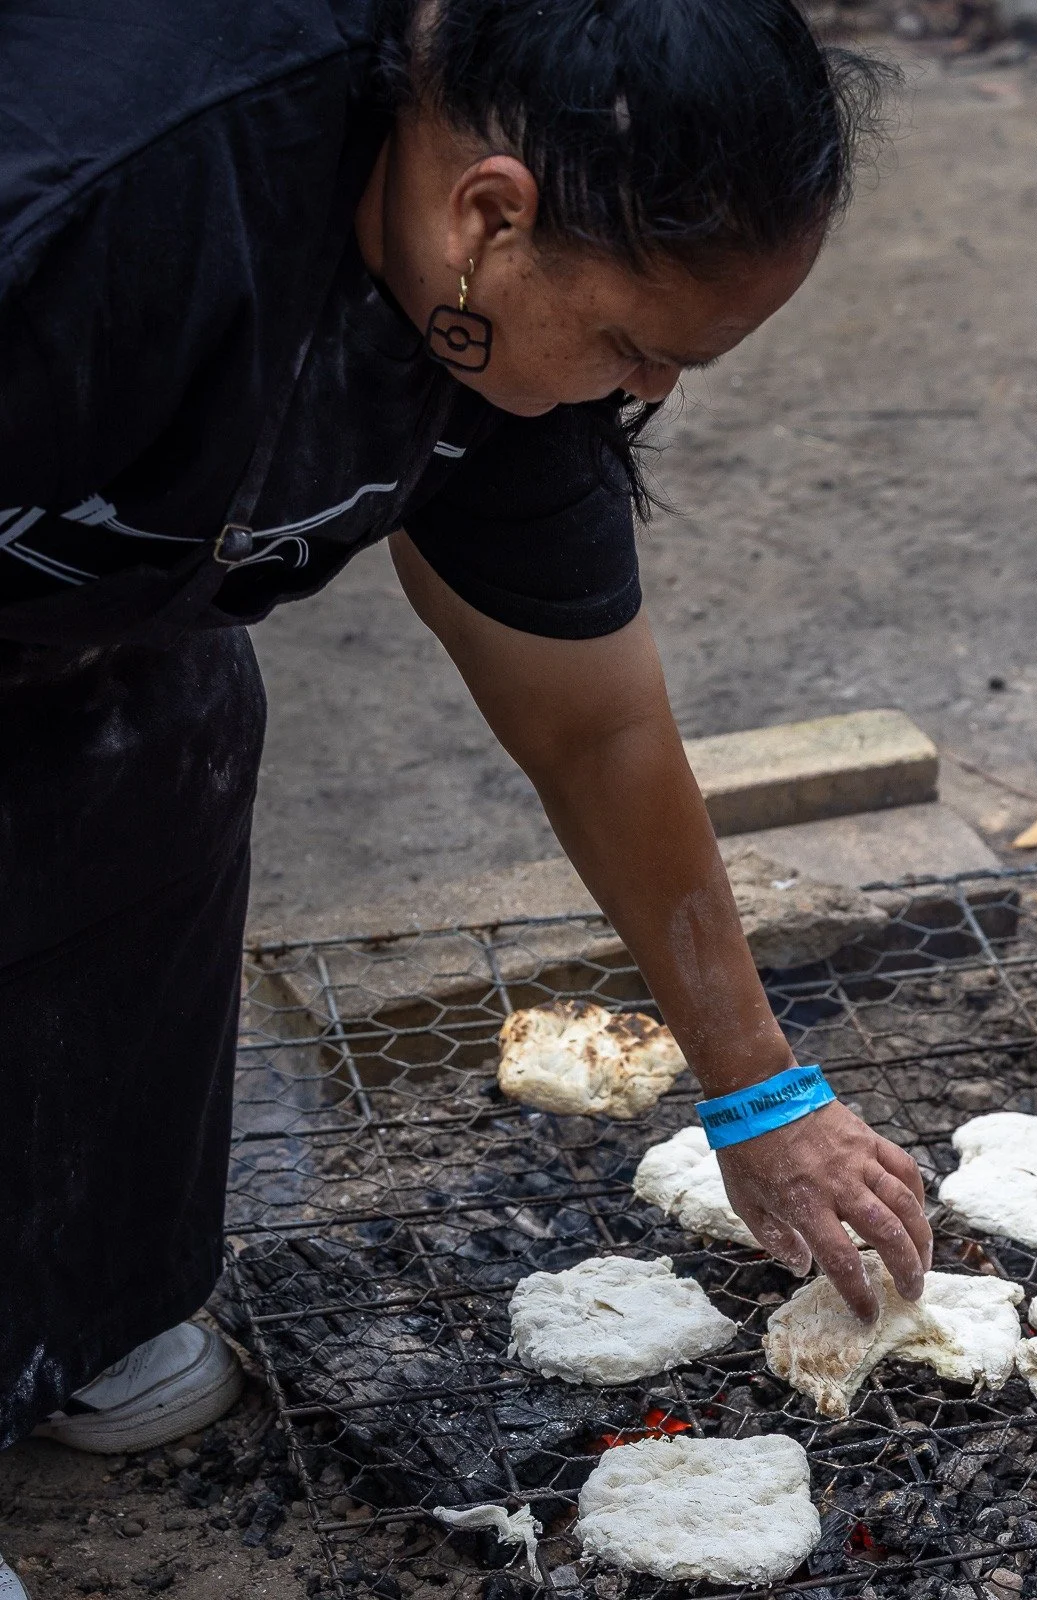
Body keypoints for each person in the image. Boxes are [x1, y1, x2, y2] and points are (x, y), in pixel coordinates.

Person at [0, 0, 934, 1566]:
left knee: (159, 735)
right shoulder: (96, 209)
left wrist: (760, 1085)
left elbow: (597, 727)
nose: (652, 390)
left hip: (73, 592)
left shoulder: (494, 326)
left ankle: (74, 1305)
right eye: (639, 347)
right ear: (487, 215)